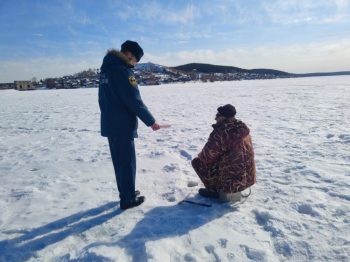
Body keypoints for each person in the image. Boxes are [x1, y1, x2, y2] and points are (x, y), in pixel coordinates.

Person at [98, 40, 160, 210]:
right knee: (126, 163)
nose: (134, 64)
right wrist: (151, 122)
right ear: (129, 54)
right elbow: (134, 101)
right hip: (122, 126)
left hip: (110, 124)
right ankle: (128, 199)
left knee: (119, 163)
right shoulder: (122, 72)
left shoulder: (106, 70)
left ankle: (126, 192)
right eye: (135, 60)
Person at [191, 104, 256, 202]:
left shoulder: (222, 132)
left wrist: (202, 156)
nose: (215, 118)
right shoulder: (241, 128)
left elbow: (206, 156)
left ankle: (214, 191)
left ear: (223, 117)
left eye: (218, 115)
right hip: (247, 177)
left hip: (231, 181)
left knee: (197, 162)